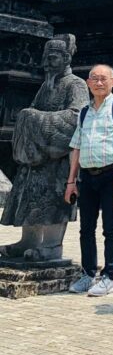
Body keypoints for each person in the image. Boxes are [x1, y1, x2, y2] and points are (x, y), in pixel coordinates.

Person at [1, 35, 88, 262]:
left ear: (66, 57)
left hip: (59, 156)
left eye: (53, 57)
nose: (47, 62)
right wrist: (31, 120)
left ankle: (51, 245)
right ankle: (28, 240)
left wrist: (36, 119)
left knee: (54, 199)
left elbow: (78, 116)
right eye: (45, 58)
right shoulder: (46, 85)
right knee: (31, 195)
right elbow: (33, 110)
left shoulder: (76, 84)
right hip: (38, 155)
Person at [65, 64, 113, 296]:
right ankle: (88, 274)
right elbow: (76, 147)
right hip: (87, 176)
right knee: (86, 228)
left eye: (103, 79)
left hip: (111, 174)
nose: (99, 83)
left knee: (110, 227)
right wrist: (71, 181)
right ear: (88, 83)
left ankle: (109, 276)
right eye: (94, 79)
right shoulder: (85, 112)